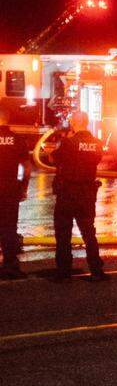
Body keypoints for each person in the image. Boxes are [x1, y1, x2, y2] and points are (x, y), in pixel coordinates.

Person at [51, 111, 108, 281]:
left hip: (68, 193)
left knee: (63, 233)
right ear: (87, 122)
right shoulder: (97, 144)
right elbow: (96, 160)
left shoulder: (68, 142)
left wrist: (63, 141)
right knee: (89, 232)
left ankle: (64, 272)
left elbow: (53, 159)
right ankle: (96, 270)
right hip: (87, 193)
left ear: (74, 123)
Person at [0, 109, 32, 279]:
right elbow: (27, 168)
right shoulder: (18, 140)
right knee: (9, 228)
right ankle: (10, 265)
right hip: (10, 189)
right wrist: (23, 188)